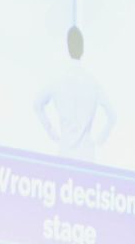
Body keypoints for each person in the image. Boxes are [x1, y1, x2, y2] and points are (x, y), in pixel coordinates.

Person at [32, 26, 116, 160]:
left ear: (67, 47)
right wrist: (100, 140)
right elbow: (112, 115)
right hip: (87, 155)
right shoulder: (93, 82)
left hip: (65, 153)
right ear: (82, 49)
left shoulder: (58, 80)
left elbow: (37, 104)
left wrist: (52, 133)